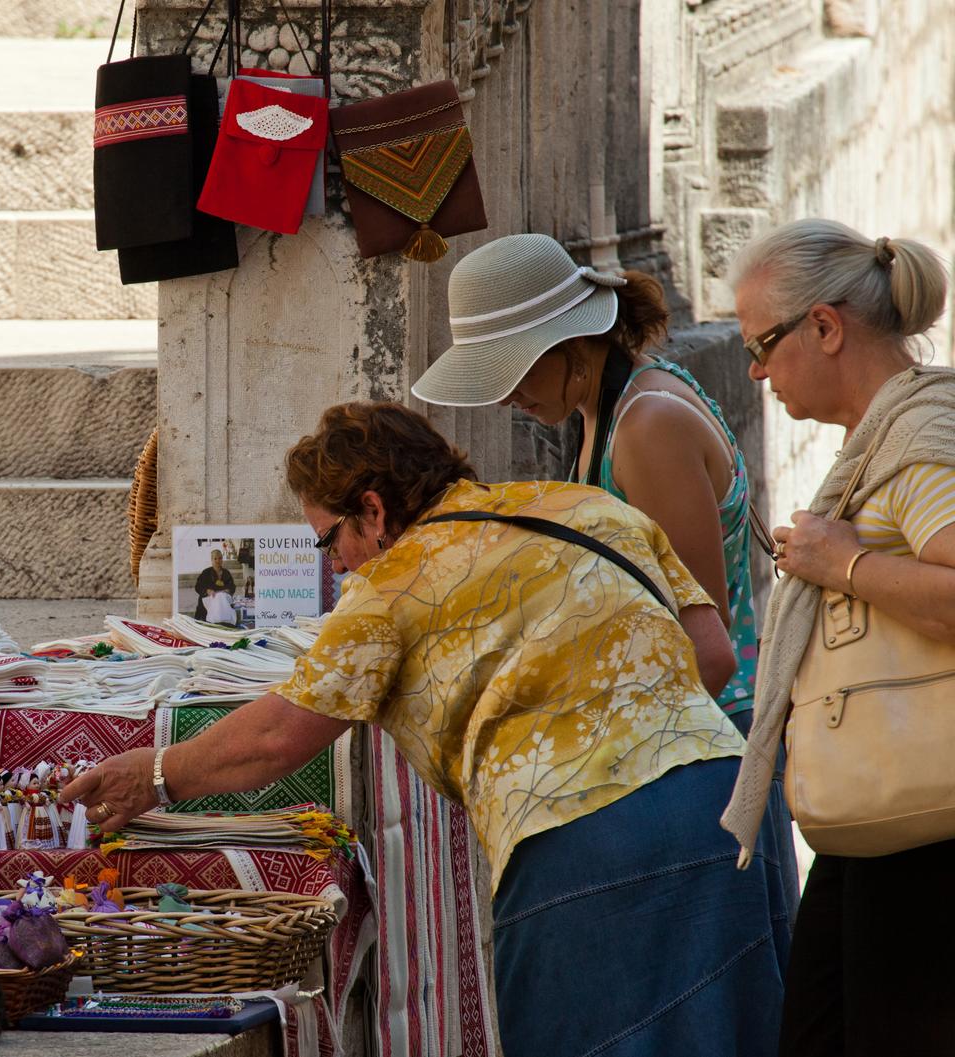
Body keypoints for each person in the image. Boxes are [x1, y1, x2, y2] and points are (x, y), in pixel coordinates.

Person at [65, 401, 789, 1057]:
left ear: (373, 511)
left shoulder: (394, 582)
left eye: (329, 540)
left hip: (580, 837)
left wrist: (156, 772)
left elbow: (277, 737)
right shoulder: (584, 507)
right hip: (719, 807)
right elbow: (713, 653)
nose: (337, 564)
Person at [414, 232, 801, 927]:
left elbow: (699, 650)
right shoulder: (608, 406)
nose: (506, 397)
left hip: (707, 751)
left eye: (513, 371)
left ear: (569, 343)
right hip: (684, 746)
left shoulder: (646, 424)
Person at [721, 218, 955, 1056]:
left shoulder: (920, 444)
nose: (754, 370)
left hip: (927, 836)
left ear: (824, 327)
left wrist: (845, 564)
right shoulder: (883, 439)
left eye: (763, 344)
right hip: (881, 826)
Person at [192, 548, 235, 620]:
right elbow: (198, 586)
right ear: (211, 560)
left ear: (222, 559)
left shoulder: (226, 573)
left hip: (222, 601)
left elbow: (232, 586)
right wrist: (207, 591)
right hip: (208, 600)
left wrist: (228, 590)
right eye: (215, 559)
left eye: (220, 558)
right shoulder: (206, 572)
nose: (218, 561)